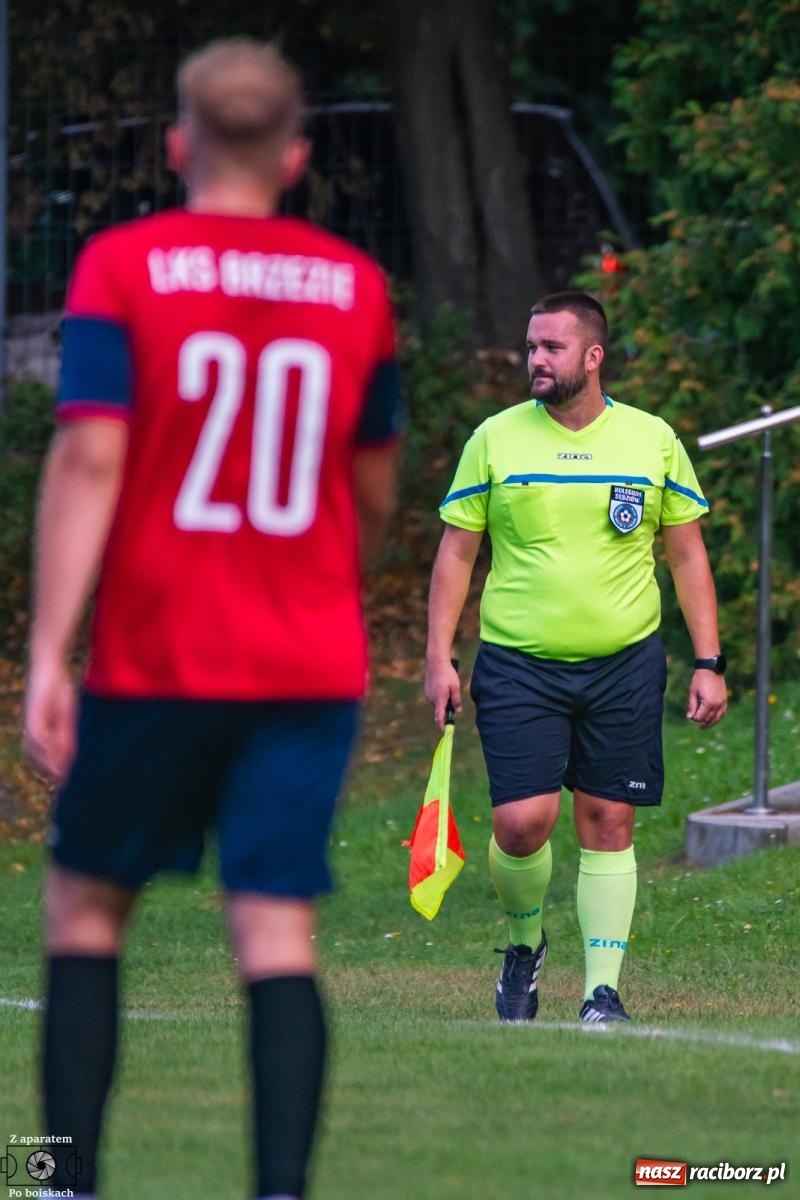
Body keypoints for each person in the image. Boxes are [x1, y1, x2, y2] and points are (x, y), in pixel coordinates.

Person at [23, 38, 401, 1200]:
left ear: (180, 144)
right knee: (275, 931)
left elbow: (91, 456)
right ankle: (279, 1193)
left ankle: (58, 1182)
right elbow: (371, 484)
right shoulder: (356, 287)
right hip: (304, 659)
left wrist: (47, 650)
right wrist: (326, 577)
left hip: (160, 653)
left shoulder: (125, 265)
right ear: (293, 157)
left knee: (86, 908)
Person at [424, 291, 726, 1024]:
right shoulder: (495, 439)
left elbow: (686, 556)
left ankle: (602, 993)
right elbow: (457, 553)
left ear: (593, 356)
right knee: (522, 824)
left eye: (551, 348)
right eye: (530, 347)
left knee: (607, 819)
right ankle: (525, 949)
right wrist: (438, 657)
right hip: (519, 662)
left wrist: (709, 660)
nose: (535, 360)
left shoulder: (651, 439)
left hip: (624, 660)